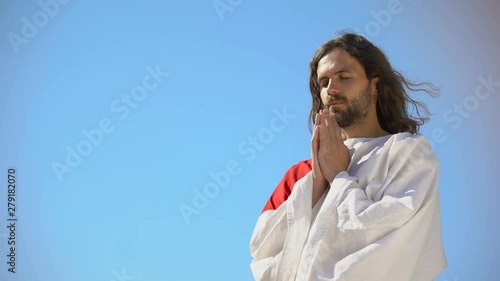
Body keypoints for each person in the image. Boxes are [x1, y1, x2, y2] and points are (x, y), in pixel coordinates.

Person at [249, 33, 447, 281]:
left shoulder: (406, 152)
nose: (331, 89)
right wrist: (317, 183)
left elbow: (394, 242)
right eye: (323, 82)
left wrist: (339, 178)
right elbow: (261, 251)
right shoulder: (300, 175)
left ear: (375, 86)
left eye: (344, 77)